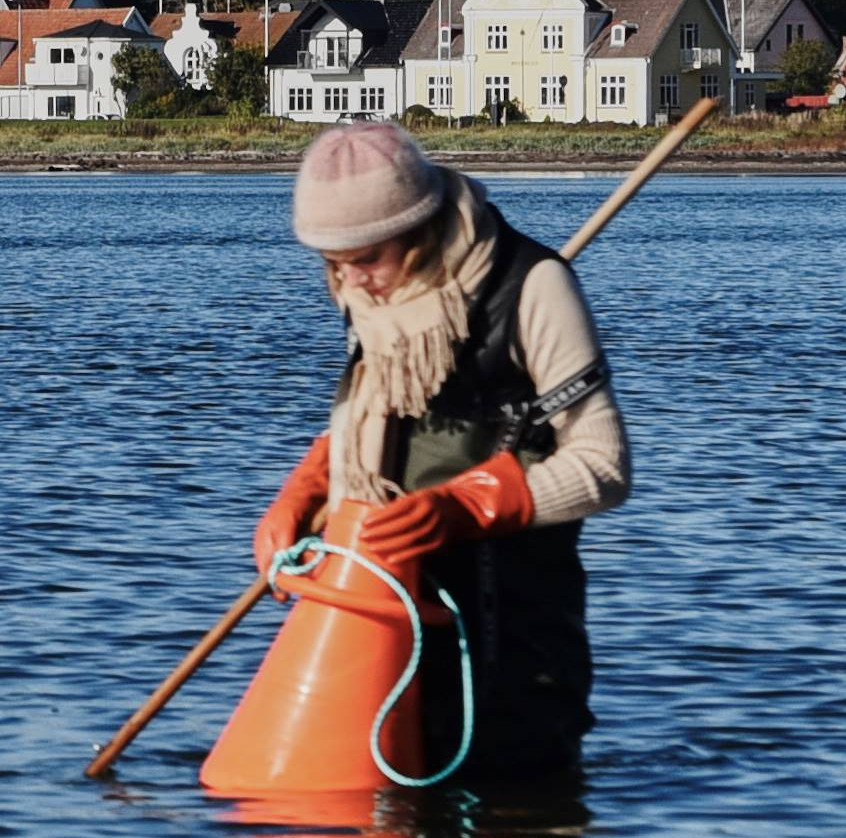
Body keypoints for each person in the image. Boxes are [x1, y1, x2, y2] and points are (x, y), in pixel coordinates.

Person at [255, 120, 633, 780]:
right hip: (380, 634)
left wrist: (464, 508)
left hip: (510, 643)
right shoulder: (363, 289)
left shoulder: (535, 287)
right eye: (333, 265)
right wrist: (310, 487)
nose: (352, 283)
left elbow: (604, 465)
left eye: (367, 259)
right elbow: (374, 418)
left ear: (422, 229)